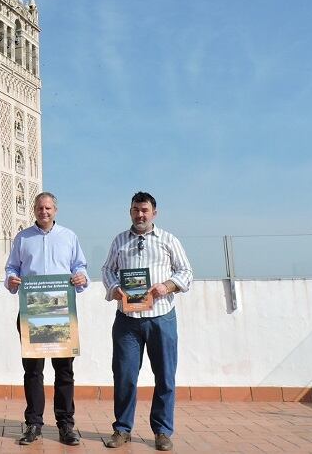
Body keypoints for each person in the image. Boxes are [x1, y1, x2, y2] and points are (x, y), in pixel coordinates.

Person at [101, 192, 192, 451]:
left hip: (161, 318)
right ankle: (122, 429)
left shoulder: (168, 240)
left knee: (164, 377)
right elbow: (107, 269)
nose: (139, 215)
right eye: (135, 210)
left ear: (154, 212)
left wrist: (168, 285)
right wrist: (115, 288)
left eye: (144, 210)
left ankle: (162, 431)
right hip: (127, 320)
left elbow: (186, 271)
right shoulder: (119, 240)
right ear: (130, 212)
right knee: (125, 376)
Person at [5, 192, 89, 446]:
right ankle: (33, 424)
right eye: (40, 208)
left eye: (48, 208)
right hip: (31, 312)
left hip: (61, 312)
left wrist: (80, 277)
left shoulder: (69, 237)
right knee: (33, 371)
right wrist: (11, 279)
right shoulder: (23, 238)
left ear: (55, 210)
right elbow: (11, 268)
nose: (44, 212)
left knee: (64, 371)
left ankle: (65, 425)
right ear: (34, 210)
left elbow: (80, 266)